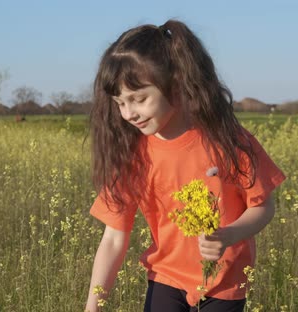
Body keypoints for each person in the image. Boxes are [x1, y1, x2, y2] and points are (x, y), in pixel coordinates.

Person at [84, 19, 286, 312]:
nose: (128, 113)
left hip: (225, 285)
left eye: (139, 99)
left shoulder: (227, 139)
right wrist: (93, 306)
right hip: (166, 279)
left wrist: (229, 235)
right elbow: (114, 238)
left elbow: (263, 206)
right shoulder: (131, 154)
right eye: (120, 103)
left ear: (175, 83)